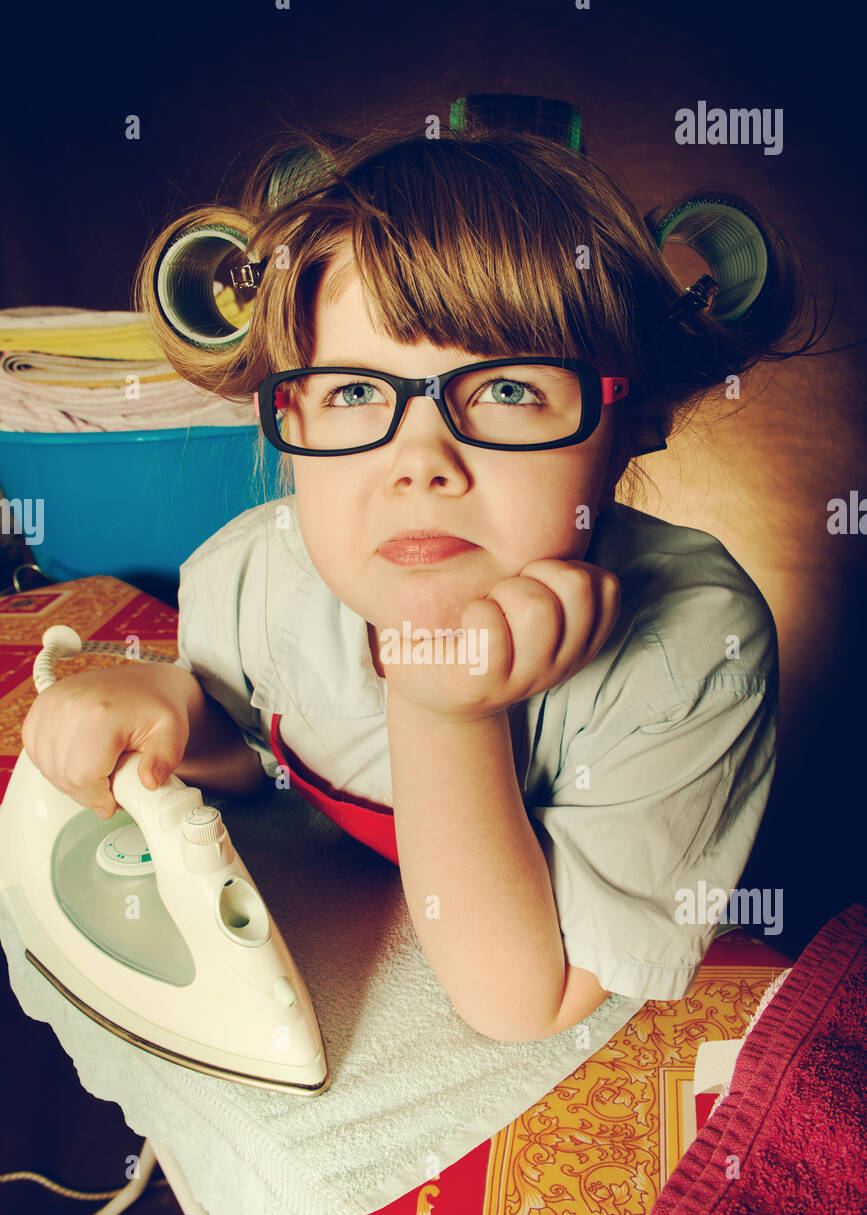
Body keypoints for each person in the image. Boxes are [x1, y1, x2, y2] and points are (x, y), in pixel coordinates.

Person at [22, 107, 819, 1045]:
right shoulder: (252, 575)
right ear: (294, 420)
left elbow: (524, 1002)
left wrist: (448, 713)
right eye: (356, 391)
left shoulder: (693, 647)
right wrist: (166, 711)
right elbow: (271, 757)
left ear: (628, 422)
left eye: (509, 388)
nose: (420, 462)